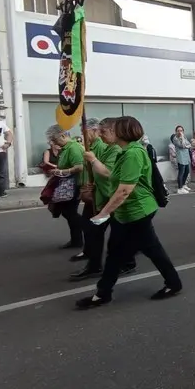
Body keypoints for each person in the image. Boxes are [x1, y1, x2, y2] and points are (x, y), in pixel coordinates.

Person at [76, 116, 183, 309]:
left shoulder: (133, 154)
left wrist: (103, 214)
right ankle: (104, 292)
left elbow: (125, 190)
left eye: (111, 129)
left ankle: (103, 293)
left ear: (122, 132)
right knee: (124, 252)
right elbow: (113, 179)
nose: (105, 132)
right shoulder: (124, 152)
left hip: (137, 212)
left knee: (135, 252)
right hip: (126, 213)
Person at [71, 118, 136, 281]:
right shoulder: (104, 148)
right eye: (99, 131)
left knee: (122, 236)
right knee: (93, 231)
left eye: (103, 132)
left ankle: (126, 264)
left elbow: (108, 173)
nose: (100, 135)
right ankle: (95, 265)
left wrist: (93, 160)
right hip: (100, 196)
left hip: (111, 198)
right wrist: (91, 186)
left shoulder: (118, 150)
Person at [45, 125, 86, 249]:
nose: (53, 142)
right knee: (68, 212)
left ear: (63, 136)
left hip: (74, 184)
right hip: (67, 184)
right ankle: (76, 240)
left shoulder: (73, 147)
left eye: (54, 139)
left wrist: (61, 172)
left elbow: (79, 167)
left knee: (69, 212)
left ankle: (86, 227)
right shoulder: (65, 148)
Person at [171, 125, 192, 194]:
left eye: (181, 130)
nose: (180, 132)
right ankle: (179, 188)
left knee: (187, 171)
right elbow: (182, 146)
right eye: (178, 131)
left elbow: (189, 145)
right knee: (181, 172)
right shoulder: (175, 138)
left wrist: (186, 145)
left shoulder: (184, 137)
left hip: (186, 156)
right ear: (176, 131)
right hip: (181, 157)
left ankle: (183, 185)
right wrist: (183, 139)